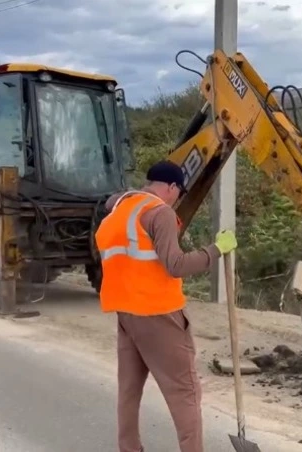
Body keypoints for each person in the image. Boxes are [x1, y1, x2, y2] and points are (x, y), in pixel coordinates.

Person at [94, 160, 238, 452]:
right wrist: (216, 250)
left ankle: (129, 448)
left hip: (126, 314)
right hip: (160, 314)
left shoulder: (118, 212)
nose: (177, 198)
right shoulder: (159, 213)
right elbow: (176, 265)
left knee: (129, 390)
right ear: (172, 187)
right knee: (185, 393)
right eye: (179, 193)